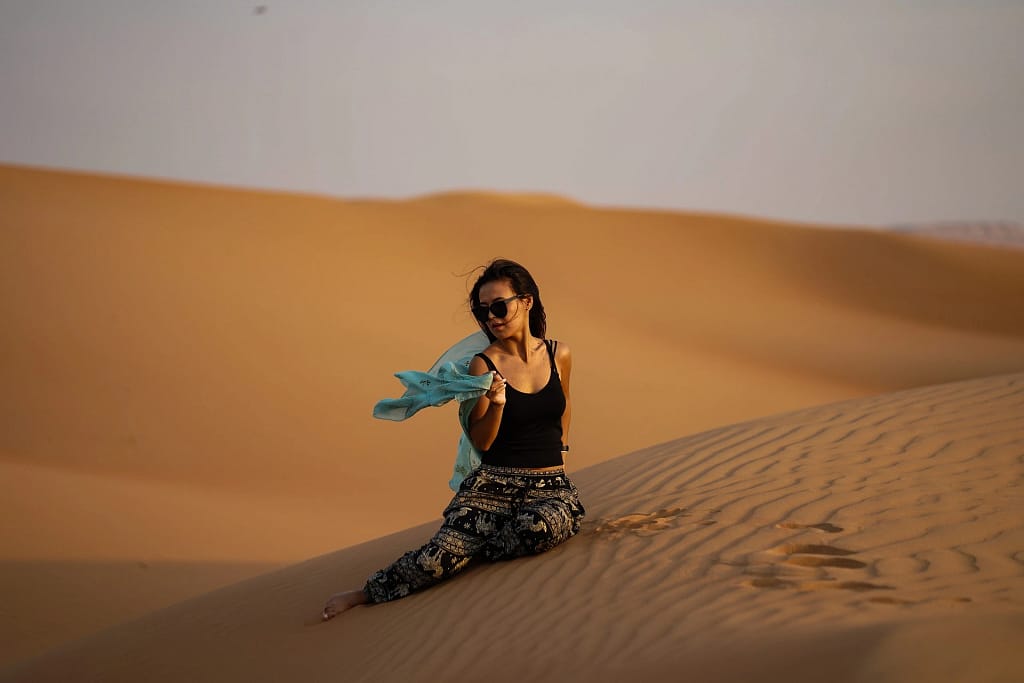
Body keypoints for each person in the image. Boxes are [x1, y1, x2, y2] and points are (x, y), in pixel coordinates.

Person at [322, 258, 585, 619]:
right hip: (492, 486)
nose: (492, 317)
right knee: (436, 560)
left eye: (498, 306)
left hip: (549, 487)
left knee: (541, 527)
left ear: (526, 301)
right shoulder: (483, 365)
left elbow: (565, 404)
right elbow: (483, 442)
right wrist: (495, 403)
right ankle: (365, 593)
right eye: (483, 311)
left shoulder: (559, 354)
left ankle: (474, 548)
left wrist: (563, 452)